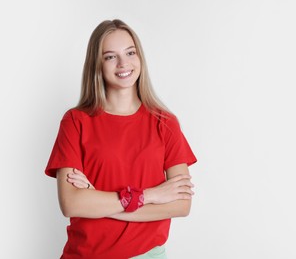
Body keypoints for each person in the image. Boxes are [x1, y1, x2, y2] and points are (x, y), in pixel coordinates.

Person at [45, 19, 197, 259]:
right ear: (97, 64)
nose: (123, 63)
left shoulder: (165, 123)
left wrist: (101, 204)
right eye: (110, 56)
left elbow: (181, 205)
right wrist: (151, 196)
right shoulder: (75, 121)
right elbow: (72, 204)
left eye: (130, 52)